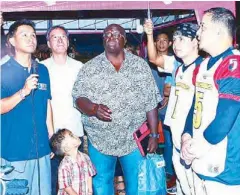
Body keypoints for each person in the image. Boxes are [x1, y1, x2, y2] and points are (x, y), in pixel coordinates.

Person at [72, 24, 160, 195]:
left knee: (138, 184)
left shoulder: (140, 66)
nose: (111, 37)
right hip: (100, 140)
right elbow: (78, 99)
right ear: (103, 39)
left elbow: (151, 103)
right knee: (101, 184)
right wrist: (93, 108)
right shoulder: (90, 68)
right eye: (107, 34)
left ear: (124, 39)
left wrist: (154, 135)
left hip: (133, 140)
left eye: (116, 34)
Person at [181, 7, 240, 195]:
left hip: (225, 167)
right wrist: (186, 136)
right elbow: (195, 106)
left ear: (219, 31)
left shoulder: (233, 63)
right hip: (201, 160)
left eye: (203, 27)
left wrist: (196, 148)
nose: (198, 33)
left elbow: (227, 114)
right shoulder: (204, 64)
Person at [145, 20, 204, 195]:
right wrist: (149, 34)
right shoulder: (178, 67)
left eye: (182, 39)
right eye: (175, 39)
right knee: (183, 182)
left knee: (196, 186)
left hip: (192, 138)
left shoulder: (204, 68)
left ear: (195, 41)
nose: (176, 44)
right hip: (177, 135)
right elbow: (153, 58)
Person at [0, 19, 54, 194]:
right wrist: (23, 92)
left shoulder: (43, 70)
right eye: (24, 35)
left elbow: (47, 103)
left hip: (42, 151)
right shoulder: (3, 71)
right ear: (12, 41)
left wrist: (51, 137)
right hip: (14, 152)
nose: (31, 38)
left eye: (33, 35)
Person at [41, 25, 84, 195]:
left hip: (74, 134)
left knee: (75, 183)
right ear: (49, 44)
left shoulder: (80, 67)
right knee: (52, 182)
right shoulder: (41, 68)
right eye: (54, 37)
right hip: (49, 136)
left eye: (63, 37)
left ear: (68, 41)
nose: (59, 40)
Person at [147, 30, 177, 193]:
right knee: (149, 139)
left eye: (165, 40)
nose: (161, 43)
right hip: (150, 108)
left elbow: (169, 88)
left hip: (168, 108)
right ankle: (150, 172)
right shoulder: (148, 63)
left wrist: (168, 96)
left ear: (170, 43)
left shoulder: (175, 62)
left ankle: (168, 173)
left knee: (171, 142)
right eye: (158, 40)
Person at [50, 129, 96, 195]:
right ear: (66, 148)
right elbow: (66, 187)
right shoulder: (64, 166)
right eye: (71, 135)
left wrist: (90, 191)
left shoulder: (85, 157)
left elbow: (89, 175)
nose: (75, 135)